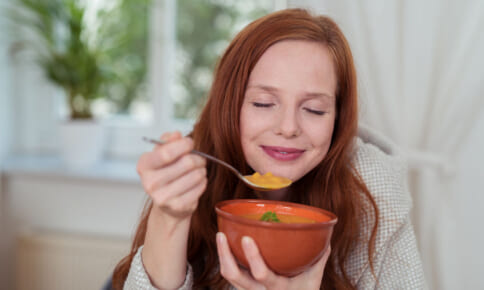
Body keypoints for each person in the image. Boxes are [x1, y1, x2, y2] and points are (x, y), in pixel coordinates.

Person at [112, 8, 426, 290]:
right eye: (263, 103)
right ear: (230, 105)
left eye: (315, 109)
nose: (288, 127)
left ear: (338, 118)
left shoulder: (374, 190)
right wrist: (170, 216)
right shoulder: (194, 170)